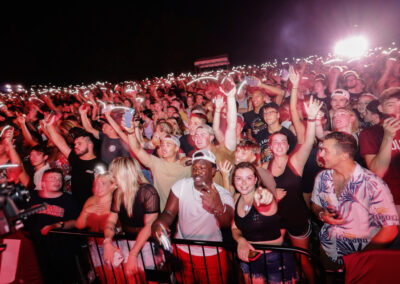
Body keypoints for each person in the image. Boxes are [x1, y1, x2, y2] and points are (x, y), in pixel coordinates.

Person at [311, 132, 399, 269]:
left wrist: (360, 259)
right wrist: (322, 214)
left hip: (361, 257)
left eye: (325, 151)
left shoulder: (372, 184)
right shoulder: (322, 177)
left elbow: (390, 230)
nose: (320, 155)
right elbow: (315, 204)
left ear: (344, 156)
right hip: (328, 249)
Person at [151, 149, 234, 284]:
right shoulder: (181, 185)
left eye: (202, 168)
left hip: (211, 254)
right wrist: (158, 224)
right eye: (194, 168)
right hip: (183, 250)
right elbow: (169, 213)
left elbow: (227, 222)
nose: (196, 171)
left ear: (213, 171)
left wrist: (218, 206)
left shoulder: (223, 194)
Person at [264, 96, 322, 284]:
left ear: (288, 146)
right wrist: (272, 196)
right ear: (270, 147)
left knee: (302, 259)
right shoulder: (265, 167)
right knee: (282, 259)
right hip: (276, 221)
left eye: (283, 142)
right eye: (275, 142)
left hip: (297, 219)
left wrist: (312, 119)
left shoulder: (295, 161)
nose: (279, 145)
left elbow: (308, 142)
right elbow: (260, 195)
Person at [231, 162, 297, 284]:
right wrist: (241, 241)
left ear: (256, 180)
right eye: (239, 178)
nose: (244, 183)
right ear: (234, 181)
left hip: (274, 258)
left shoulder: (262, 197)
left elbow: (267, 203)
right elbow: (235, 228)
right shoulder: (236, 198)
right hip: (249, 256)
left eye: (249, 178)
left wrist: (266, 200)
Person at [103, 157, 161, 281]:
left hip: (147, 242)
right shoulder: (118, 192)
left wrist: (133, 254)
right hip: (128, 240)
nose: (112, 176)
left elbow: (150, 225)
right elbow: (111, 220)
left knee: (152, 278)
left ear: (124, 173)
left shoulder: (148, 192)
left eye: (114, 172)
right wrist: (107, 241)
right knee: (131, 277)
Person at [25, 168, 80, 283]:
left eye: (59, 179)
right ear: (42, 183)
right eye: (52, 178)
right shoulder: (31, 197)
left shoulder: (68, 200)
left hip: (61, 251)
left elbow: (77, 221)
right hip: (36, 251)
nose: (57, 181)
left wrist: (58, 225)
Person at [45, 115, 104, 208]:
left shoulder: (100, 165)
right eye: (75, 144)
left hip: (93, 208)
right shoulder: (75, 158)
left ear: (90, 145)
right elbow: (60, 142)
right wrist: (49, 126)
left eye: (79, 144)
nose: (76, 146)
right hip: (76, 205)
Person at [359, 88, 400, 217]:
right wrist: (388, 137)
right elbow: (378, 171)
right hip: (393, 201)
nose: (397, 110)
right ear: (381, 108)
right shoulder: (369, 134)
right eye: (391, 105)